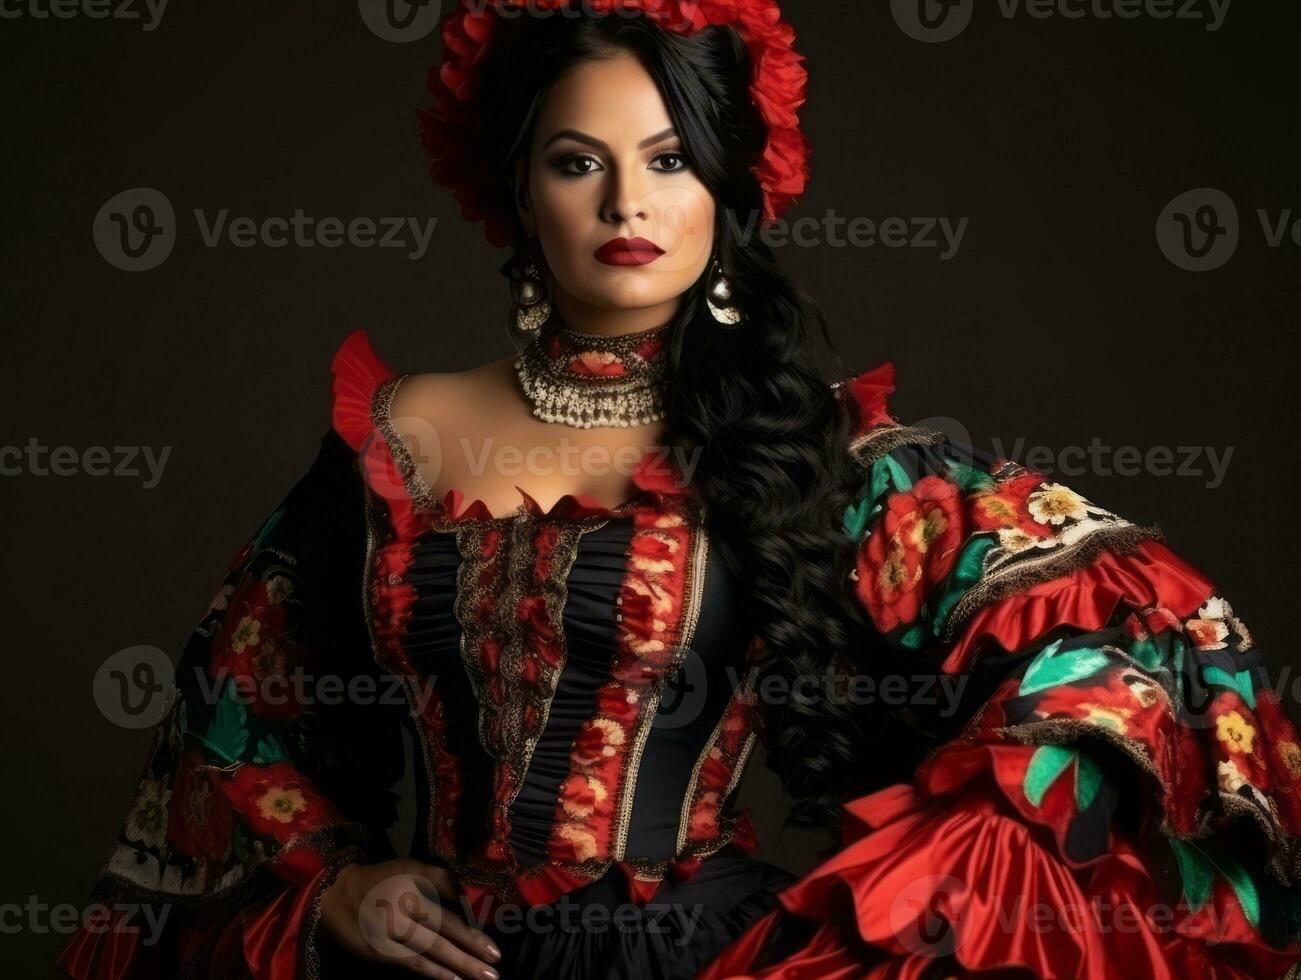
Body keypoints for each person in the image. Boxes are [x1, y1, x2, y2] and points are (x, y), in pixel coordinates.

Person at [59, 2, 1301, 978]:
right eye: (575, 160)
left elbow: (1129, 621)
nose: (626, 202)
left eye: (667, 157)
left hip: (698, 953)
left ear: (724, 181)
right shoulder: (404, 430)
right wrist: (336, 881)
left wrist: (952, 869)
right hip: (429, 959)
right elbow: (237, 706)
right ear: (515, 191)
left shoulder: (797, 447)